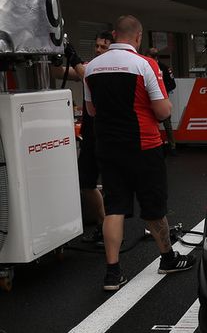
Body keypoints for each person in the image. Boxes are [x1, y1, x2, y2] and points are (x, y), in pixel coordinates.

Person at [84, 15, 195, 291]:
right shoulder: (145, 64)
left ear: (113, 34)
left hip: (108, 146)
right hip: (143, 146)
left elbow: (91, 111)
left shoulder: (91, 68)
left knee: (115, 208)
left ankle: (112, 273)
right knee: (154, 207)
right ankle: (168, 258)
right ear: (138, 37)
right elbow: (163, 111)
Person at [52, 32, 113, 245]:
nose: (97, 50)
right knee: (86, 182)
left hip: (109, 134)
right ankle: (102, 225)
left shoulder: (111, 69)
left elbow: (86, 74)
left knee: (115, 185)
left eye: (103, 47)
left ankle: (111, 231)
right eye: (96, 46)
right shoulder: (89, 66)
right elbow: (60, 72)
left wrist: (74, 55)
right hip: (90, 134)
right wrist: (55, 55)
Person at [146, 47, 177, 156]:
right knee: (151, 123)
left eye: (149, 57)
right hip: (148, 101)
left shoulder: (165, 68)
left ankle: (173, 147)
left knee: (167, 123)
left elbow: (173, 84)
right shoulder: (145, 67)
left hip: (162, 100)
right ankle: (155, 147)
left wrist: (162, 90)